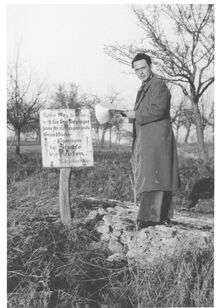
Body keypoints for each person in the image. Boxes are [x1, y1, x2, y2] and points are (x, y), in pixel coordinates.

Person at [125, 53, 180, 229]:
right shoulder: (146, 86)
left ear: (150, 66)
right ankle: (153, 218)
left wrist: (135, 115)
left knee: (155, 177)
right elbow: (148, 110)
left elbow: (157, 110)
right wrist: (131, 115)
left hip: (157, 140)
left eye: (143, 68)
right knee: (152, 177)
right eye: (137, 70)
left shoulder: (158, 85)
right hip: (150, 138)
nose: (140, 72)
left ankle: (150, 219)